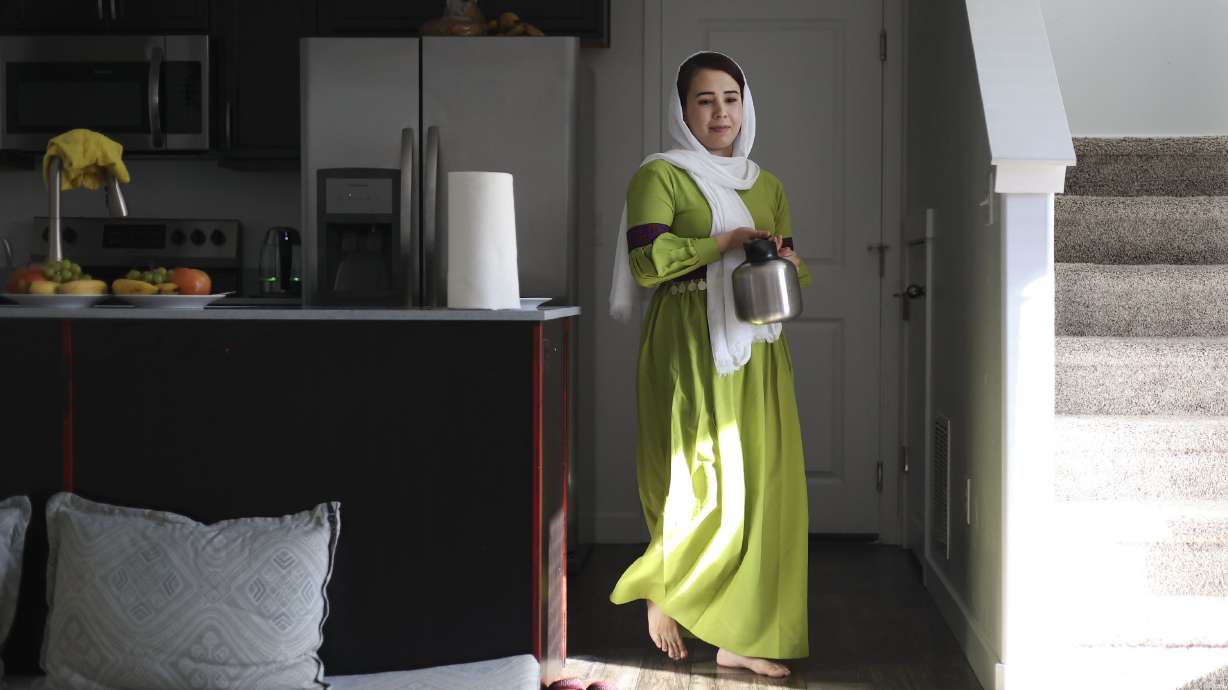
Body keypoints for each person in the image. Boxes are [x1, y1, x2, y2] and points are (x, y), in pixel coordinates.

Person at [606, 51, 811, 679]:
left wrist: (782, 257)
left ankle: (738, 636)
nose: (720, 111)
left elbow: (792, 260)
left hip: (758, 343)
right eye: (704, 100)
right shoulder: (661, 175)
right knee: (699, 479)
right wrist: (721, 242)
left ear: (745, 105)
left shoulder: (766, 183)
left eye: (730, 97)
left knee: (764, 490)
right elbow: (647, 264)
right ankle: (661, 588)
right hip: (691, 341)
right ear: (682, 109)